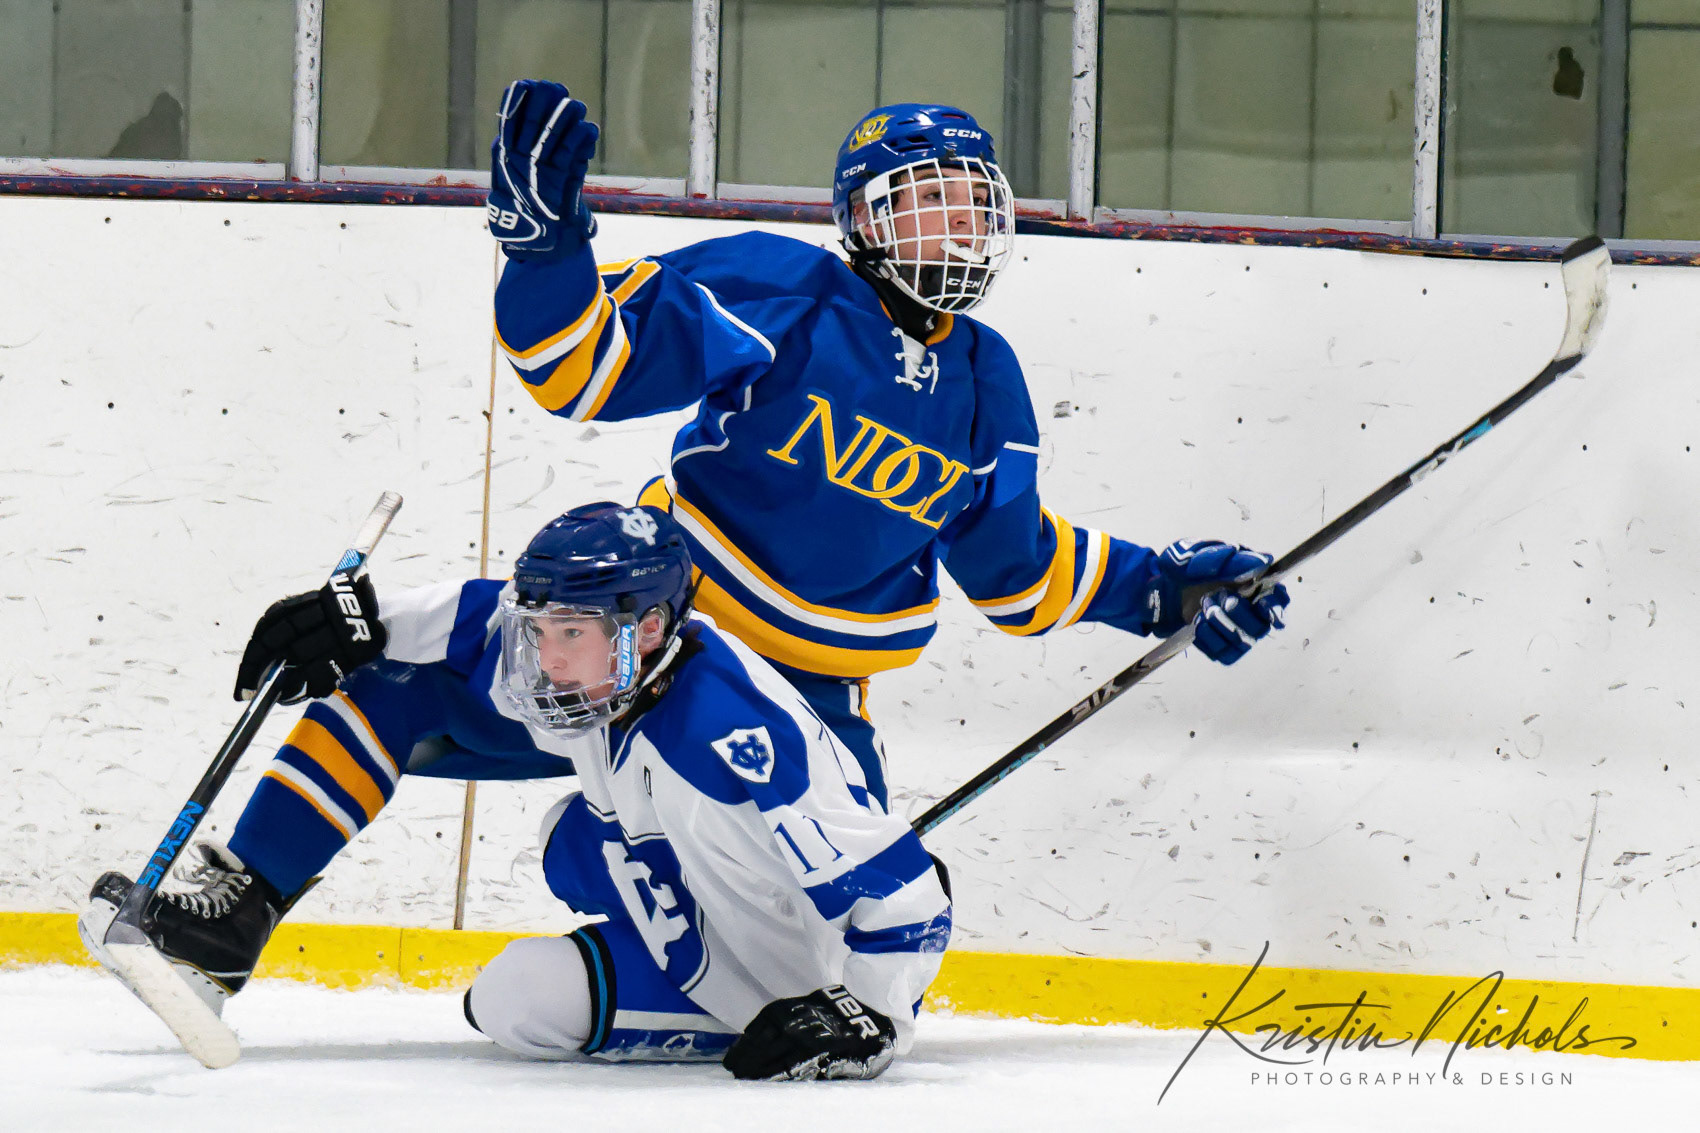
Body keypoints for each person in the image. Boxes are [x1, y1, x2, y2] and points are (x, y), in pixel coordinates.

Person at [487, 83, 1293, 808]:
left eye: (976, 200)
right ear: (867, 218)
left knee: (867, 906)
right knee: (466, 716)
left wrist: (1157, 591)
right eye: (934, 196)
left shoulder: (987, 381)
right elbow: (580, 367)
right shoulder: (780, 288)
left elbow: (1016, 571)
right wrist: (545, 256)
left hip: (823, 695)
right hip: (667, 639)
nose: (964, 219)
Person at [81, 503, 948, 1080]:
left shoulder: (731, 735)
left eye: (568, 633)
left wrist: (865, 1017)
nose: (545, 659)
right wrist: (361, 620)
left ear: (647, 628)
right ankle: (230, 929)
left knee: (532, 961)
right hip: (688, 909)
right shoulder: (615, 671)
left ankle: (765, 998)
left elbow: (911, 893)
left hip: (790, 983)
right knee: (416, 712)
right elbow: (473, 618)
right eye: (541, 632)